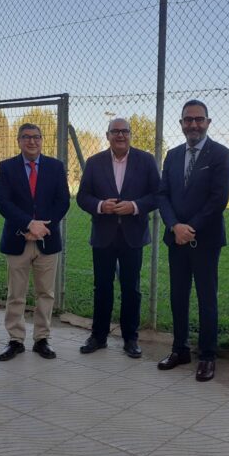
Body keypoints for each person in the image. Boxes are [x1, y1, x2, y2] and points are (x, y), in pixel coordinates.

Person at [156, 100, 229, 381]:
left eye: (199, 119)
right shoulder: (173, 155)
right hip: (176, 239)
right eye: (188, 120)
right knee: (178, 296)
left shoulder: (221, 154)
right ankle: (180, 349)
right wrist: (175, 226)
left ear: (208, 122)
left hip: (206, 239)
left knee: (206, 298)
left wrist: (191, 228)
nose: (194, 125)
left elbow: (218, 199)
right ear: (181, 124)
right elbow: (162, 194)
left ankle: (208, 355)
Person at [76, 118, 160, 358]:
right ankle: (98, 336)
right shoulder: (94, 162)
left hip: (132, 235)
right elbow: (83, 197)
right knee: (102, 287)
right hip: (103, 235)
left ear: (130, 134)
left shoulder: (145, 161)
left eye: (124, 131)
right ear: (107, 135)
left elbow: (157, 194)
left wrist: (134, 206)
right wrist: (102, 205)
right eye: (115, 131)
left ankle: (130, 338)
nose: (120, 135)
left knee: (131, 289)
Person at [0, 123, 70, 361]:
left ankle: (42, 339)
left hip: (47, 240)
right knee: (16, 294)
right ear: (18, 140)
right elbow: (4, 203)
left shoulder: (56, 167)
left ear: (42, 140)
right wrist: (28, 225)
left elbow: (63, 201)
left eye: (36, 137)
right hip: (19, 239)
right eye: (26, 137)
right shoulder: (6, 167)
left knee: (45, 293)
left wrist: (42, 228)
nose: (31, 141)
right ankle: (15, 340)